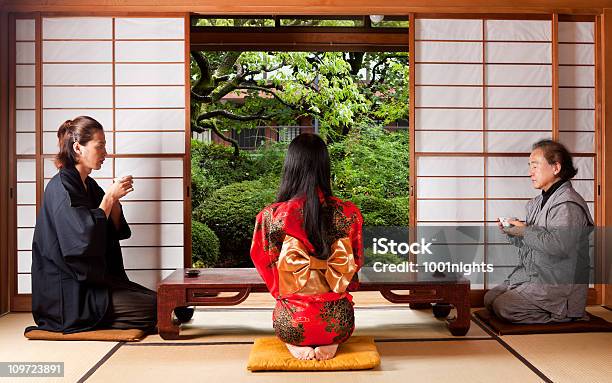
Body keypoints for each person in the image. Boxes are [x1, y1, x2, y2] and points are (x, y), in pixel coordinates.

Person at [26, 116, 157, 335]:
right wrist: (108, 198)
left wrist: (113, 200)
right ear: (78, 148)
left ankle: (108, 317)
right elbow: (81, 237)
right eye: (101, 146)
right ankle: (92, 322)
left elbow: (114, 231)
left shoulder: (88, 184)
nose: (105, 152)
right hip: (67, 292)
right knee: (154, 309)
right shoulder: (61, 188)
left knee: (165, 302)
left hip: (92, 283)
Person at [250, 133, 363, 361]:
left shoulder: (271, 216)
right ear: (325, 167)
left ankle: (295, 342)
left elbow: (266, 266)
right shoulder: (349, 213)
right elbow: (355, 263)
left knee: (288, 315)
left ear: (290, 168)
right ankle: (331, 341)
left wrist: (287, 291)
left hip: (291, 321)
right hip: (338, 322)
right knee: (336, 316)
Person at [485, 139, 593, 324]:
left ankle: (564, 313)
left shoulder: (567, 204)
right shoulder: (536, 202)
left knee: (504, 307)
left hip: (558, 284)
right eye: (530, 166)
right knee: (489, 299)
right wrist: (513, 232)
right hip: (534, 275)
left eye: (535, 166)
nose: (530, 173)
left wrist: (523, 230)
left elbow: (558, 246)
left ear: (556, 168)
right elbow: (533, 242)